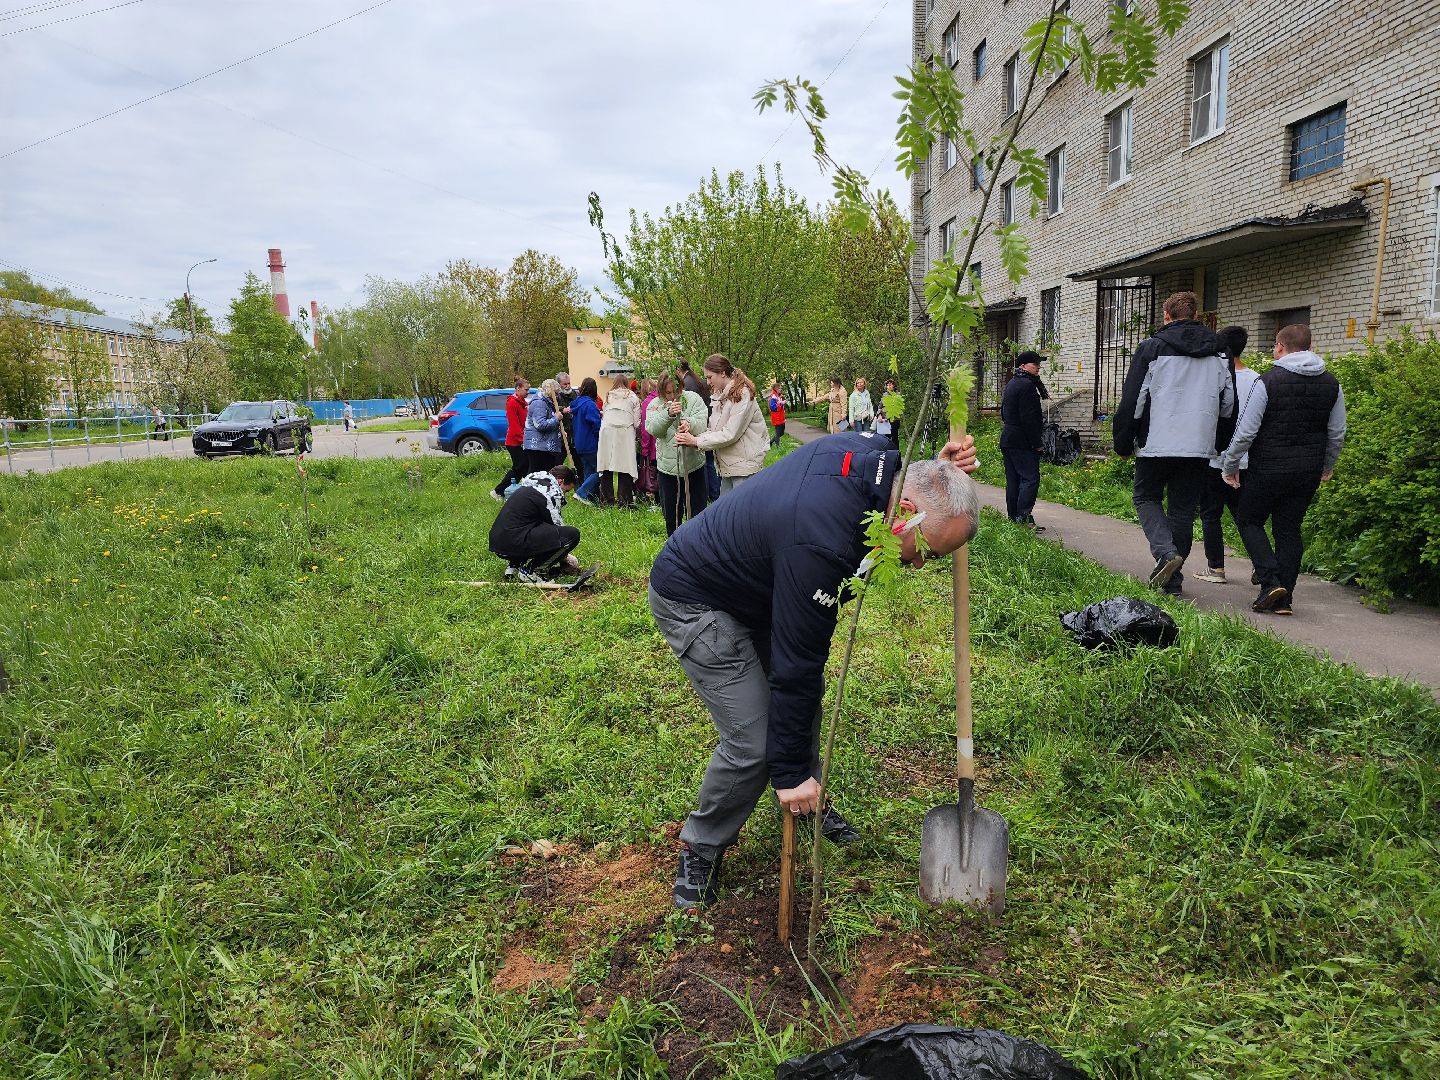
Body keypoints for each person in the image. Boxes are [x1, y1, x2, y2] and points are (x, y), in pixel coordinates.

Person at [649, 430, 981, 909]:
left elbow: (800, 675)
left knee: (800, 698)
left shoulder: (882, 466)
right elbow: (795, 666)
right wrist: (785, 772)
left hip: (760, 583)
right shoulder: (825, 543)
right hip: (697, 596)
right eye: (927, 552)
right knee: (753, 741)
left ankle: (807, 798)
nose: (921, 566)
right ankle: (700, 846)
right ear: (906, 515)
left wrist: (940, 468)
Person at [1112, 291, 1234, 597]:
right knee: (1182, 511)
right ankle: (1173, 582)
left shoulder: (1152, 348)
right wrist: (1219, 442)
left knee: (1145, 497)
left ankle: (1166, 554)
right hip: (1198, 446)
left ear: (1167, 315)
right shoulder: (1220, 351)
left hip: (1156, 443)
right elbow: (1229, 403)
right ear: (1196, 316)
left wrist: (1124, 442)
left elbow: (1133, 400)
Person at [1220, 323, 1346, 615]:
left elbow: (1246, 431)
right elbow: (1337, 432)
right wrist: (1327, 465)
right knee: (1288, 528)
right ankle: (1283, 598)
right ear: (1310, 347)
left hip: (1268, 468)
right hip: (1308, 471)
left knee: (1249, 519)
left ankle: (1269, 582)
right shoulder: (1332, 383)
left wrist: (1231, 464)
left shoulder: (1268, 381)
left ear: (1280, 346)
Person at [1195, 326, 1256, 583]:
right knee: (1246, 517)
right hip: (1246, 461)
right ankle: (1259, 565)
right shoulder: (1257, 379)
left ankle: (1216, 568)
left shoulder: (1214, 376)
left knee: (1210, 514)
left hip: (1214, 460)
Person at [674, 354, 769, 495]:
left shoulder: (742, 394)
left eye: (710, 377)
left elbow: (730, 434)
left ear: (723, 373)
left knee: (742, 514)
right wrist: (691, 437)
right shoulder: (720, 396)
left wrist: (696, 441)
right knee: (728, 513)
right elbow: (714, 430)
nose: (707, 382)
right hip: (729, 465)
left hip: (744, 467)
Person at [488, 465, 583, 583]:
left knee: (529, 525)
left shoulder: (529, 484)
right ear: (560, 481)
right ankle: (532, 571)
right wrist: (564, 556)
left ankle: (514, 566)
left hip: (498, 543)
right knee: (571, 535)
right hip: (514, 542)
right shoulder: (552, 492)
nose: (564, 494)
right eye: (566, 490)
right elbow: (557, 531)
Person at [646, 372, 710, 535]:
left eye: (676, 391)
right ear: (660, 391)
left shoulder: (693, 399)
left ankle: (697, 546)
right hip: (668, 470)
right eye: (668, 393)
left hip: (694, 466)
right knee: (672, 515)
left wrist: (688, 422)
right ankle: (674, 548)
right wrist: (668, 414)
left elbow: (703, 424)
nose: (673, 396)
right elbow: (653, 429)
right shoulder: (655, 404)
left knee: (697, 513)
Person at [999, 351, 1048, 529]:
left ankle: (1014, 518)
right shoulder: (1027, 385)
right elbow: (1030, 419)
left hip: (1008, 438)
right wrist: (1037, 443)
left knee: (1014, 480)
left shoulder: (1012, 382)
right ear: (1023, 366)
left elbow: (1003, 412)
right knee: (1030, 479)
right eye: (1035, 364)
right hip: (1022, 441)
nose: (1038, 367)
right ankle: (1023, 517)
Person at [597, 377, 642, 507]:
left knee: (606, 465)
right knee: (625, 465)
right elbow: (636, 421)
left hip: (607, 432)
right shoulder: (633, 397)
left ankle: (607, 500)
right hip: (625, 431)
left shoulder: (608, 396)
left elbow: (605, 414)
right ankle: (625, 501)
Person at [681, 360, 721, 501]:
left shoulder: (687, 384)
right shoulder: (696, 380)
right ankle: (714, 493)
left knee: (705, 463)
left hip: (701, 427)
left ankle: (710, 494)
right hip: (708, 423)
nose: (709, 381)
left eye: (710, 377)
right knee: (710, 462)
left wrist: (695, 437)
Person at [492, 378, 531, 501]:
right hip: (515, 442)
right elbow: (514, 426)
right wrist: (522, 441)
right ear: (518, 388)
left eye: (529, 390)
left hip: (520, 441)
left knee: (523, 468)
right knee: (520, 467)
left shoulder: (522, 402)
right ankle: (498, 491)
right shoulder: (512, 403)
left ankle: (517, 490)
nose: (527, 392)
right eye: (526, 389)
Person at [569, 378, 603, 504]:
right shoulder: (590, 405)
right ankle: (581, 493)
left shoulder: (577, 403)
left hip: (580, 444)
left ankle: (589, 498)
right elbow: (596, 425)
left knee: (588, 471)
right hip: (591, 443)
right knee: (601, 471)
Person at [523, 379, 566, 474]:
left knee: (546, 473)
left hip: (544, 445)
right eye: (556, 393)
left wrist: (559, 431)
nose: (557, 395)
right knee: (536, 474)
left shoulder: (547, 401)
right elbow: (540, 424)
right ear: (550, 391)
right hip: (537, 446)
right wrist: (556, 419)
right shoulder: (539, 402)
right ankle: (530, 489)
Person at [637, 378, 660, 502]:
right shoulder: (663, 399)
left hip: (653, 446)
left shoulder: (648, 402)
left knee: (654, 474)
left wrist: (644, 448)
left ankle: (658, 500)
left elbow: (646, 429)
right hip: (664, 444)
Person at [555, 372, 580, 472]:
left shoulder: (574, 394)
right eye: (565, 384)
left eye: (569, 383)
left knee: (579, 465)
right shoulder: (556, 396)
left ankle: (580, 485)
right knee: (557, 463)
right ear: (559, 384)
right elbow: (553, 409)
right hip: (561, 437)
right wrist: (563, 410)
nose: (567, 386)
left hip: (574, 436)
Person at [874, 378, 902, 448]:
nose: (889, 386)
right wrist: (879, 415)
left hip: (894, 420)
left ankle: (896, 455)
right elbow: (880, 407)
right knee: (885, 439)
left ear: (894, 386)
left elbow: (897, 408)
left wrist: (888, 416)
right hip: (884, 421)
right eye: (887, 385)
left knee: (894, 438)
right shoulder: (884, 395)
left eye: (891, 385)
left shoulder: (898, 395)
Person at [767, 383, 787, 447]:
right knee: (778, 433)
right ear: (775, 388)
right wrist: (782, 403)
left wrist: (782, 401)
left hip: (781, 418)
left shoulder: (778, 396)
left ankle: (771, 442)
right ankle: (778, 447)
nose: (780, 389)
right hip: (777, 418)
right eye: (779, 388)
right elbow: (773, 408)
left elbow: (780, 405)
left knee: (781, 433)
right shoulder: (773, 397)